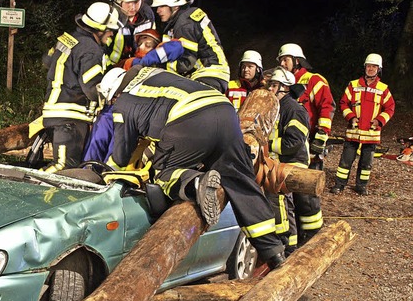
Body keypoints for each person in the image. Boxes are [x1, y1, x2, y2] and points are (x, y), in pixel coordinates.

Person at [99, 66, 287, 269]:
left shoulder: (124, 102)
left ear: (115, 93)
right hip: (225, 111)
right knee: (239, 178)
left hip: (190, 118)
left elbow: (121, 151)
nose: (113, 104)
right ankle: (274, 252)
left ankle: (197, 184)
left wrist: (105, 172)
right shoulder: (151, 74)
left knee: (163, 173)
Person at [40, 2, 121, 173]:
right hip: (70, 116)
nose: (111, 35)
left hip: (53, 110)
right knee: (64, 169)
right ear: (99, 29)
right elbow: (92, 88)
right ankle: (28, 192)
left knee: (65, 167)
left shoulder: (68, 38)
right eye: (109, 30)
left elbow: (47, 61)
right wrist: (110, 98)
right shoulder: (91, 50)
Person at [277, 43, 334, 244]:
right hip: (293, 143)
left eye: (286, 60)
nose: (282, 63)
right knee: (292, 193)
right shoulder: (283, 82)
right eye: (281, 60)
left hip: (309, 142)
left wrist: (320, 139)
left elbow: (327, 108)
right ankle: (299, 232)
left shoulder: (314, 80)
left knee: (307, 192)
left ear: (297, 61)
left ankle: (312, 235)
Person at [330, 53, 395, 195]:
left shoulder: (383, 89)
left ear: (379, 69)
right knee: (345, 161)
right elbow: (343, 103)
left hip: (371, 133)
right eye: (368, 66)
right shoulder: (353, 85)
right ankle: (339, 185)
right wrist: (351, 117)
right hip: (353, 131)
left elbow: (390, 108)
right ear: (364, 67)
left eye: (374, 66)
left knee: (366, 164)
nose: (370, 69)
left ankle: (361, 186)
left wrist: (379, 120)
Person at [150, 0, 230, 93]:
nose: (158, 10)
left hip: (207, 75)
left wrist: (158, 65)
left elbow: (186, 63)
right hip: (215, 73)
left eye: (162, 6)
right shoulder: (186, 18)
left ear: (175, 6)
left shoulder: (183, 24)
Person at [266, 68, 310, 256]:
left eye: (274, 85)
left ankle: (288, 245)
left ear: (285, 88)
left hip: (292, 161)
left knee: (280, 200)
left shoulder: (293, 109)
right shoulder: (277, 106)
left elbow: (293, 143)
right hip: (278, 161)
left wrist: (267, 145)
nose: (270, 89)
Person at [107, 0, 157, 66]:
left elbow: (152, 42)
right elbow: (103, 48)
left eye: (136, 2)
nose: (133, 7)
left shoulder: (147, 15)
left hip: (139, 64)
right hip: (113, 66)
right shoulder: (111, 18)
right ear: (119, 1)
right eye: (128, 2)